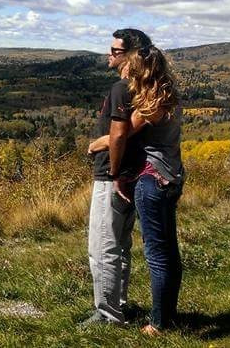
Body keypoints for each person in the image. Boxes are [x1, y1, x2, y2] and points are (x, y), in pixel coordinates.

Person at [89, 36, 184, 335]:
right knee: (165, 251)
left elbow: (123, 133)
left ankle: (157, 323)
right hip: (168, 175)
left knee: (155, 253)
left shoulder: (150, 102)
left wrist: (101, 150)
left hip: (152, 178)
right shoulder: (165, 94)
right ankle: (163, 316)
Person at [80, 28, 151, 327]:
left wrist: (110, 167)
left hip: (114, 176)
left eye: (115, 51)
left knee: (102, 246)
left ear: (131, 55)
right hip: (133, 174)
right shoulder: (146, 88)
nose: (108, 55)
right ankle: (118, 305)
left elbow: (120, 133)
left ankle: (108, 314)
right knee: (120, 244)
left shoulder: (121, 88)